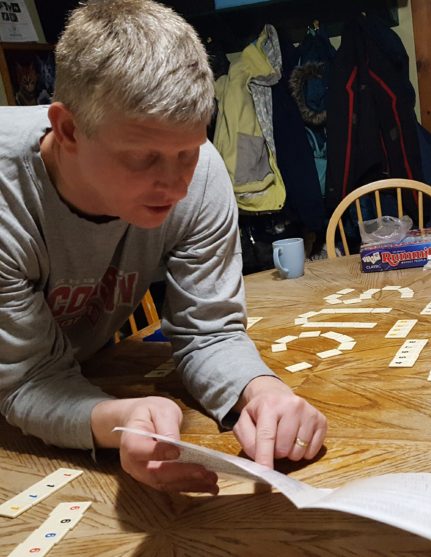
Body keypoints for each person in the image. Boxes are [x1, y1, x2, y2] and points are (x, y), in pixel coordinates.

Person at [0, 0, 327, 495]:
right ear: (67, 129)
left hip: (69, 373)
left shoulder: (203, 173)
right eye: (142, 157)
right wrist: (112, 420)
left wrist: (259, 390)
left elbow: (209, 332)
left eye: (187, 153)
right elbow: (26, 381)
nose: (175, 185)